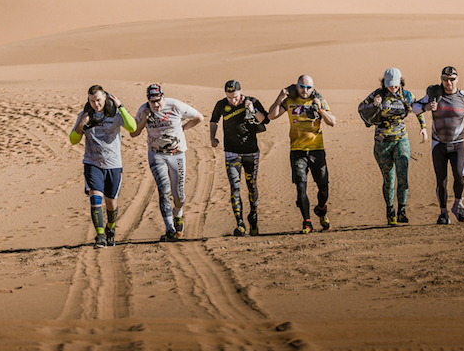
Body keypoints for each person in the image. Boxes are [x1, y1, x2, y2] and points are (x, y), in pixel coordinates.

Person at [412, 66, 464, 224]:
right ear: (441, 79)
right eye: (445, 79)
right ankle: (443, 213)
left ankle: (458, 205)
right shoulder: (434, 95)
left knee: (459, 176)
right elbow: (414, 108)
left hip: (457, 145)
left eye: (452, 79)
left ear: (457, 79)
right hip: (438, 145)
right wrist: (425, 107)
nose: (449, 83)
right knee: (441, 180)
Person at [133, 84, 204, 242]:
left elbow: (199, 117)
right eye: (152, 102)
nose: (156, 105)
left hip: (176, 154)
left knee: (179, 196)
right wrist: (144, 120)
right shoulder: (143, 110)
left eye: (158, 101)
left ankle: (178, 214)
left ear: (162, 97)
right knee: (164, 190)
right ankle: (169, 228)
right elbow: (134, 133)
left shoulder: (175, 105)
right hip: (156, 155)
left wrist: (183, 129)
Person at [358, 68, 427, 227]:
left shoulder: (406, 95)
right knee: (389, 179)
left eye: (396, 85)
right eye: (390, 85)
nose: (393, 88)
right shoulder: (378, 95)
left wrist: (423, 127)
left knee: (403, 176)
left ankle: (402, 210)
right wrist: (374, 105)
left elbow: (418, 109)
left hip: (401, 140)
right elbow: (361, 108)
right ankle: (390, 211)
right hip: (382, 143)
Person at [70, 85, 137, 248]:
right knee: (95, 198)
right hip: (92, 163)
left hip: (113, 165)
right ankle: (100, 236)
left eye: (98, 100)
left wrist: (121, 107)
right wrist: (82, 123)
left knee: (111, 203)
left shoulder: (115, 115)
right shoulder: (85, 115)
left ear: (105, 98)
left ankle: (110, 228)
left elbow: (132, 127)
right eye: (92, 101)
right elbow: (73, 140)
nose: (96, 104)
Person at [268, 75, 337, 234]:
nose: (305, 90)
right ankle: (307, 222)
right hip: (297, 151)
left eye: (308, 88)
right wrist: (280, 97)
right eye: (302, 87)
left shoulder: (319, 101)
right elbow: (271, 116)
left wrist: (319, 109)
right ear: (296, 86)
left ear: (313, 88)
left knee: (323, 188)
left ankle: (321, 209)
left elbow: (332, 122)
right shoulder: (290, 101)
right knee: (300, 187)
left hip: (316, 150)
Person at [209, 80, 269, 236]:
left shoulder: (252, 101)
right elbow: (214, 120)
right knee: (235, 187)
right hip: (231, 152)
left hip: (251, 152)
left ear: (241, 92)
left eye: (235, 97)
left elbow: (265, 119)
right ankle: (240, 223)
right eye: (229, 97)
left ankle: (253, 218)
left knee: (251, 186)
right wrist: (212, 137)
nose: (233, 101)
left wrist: (252, 109)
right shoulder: (221, 105)